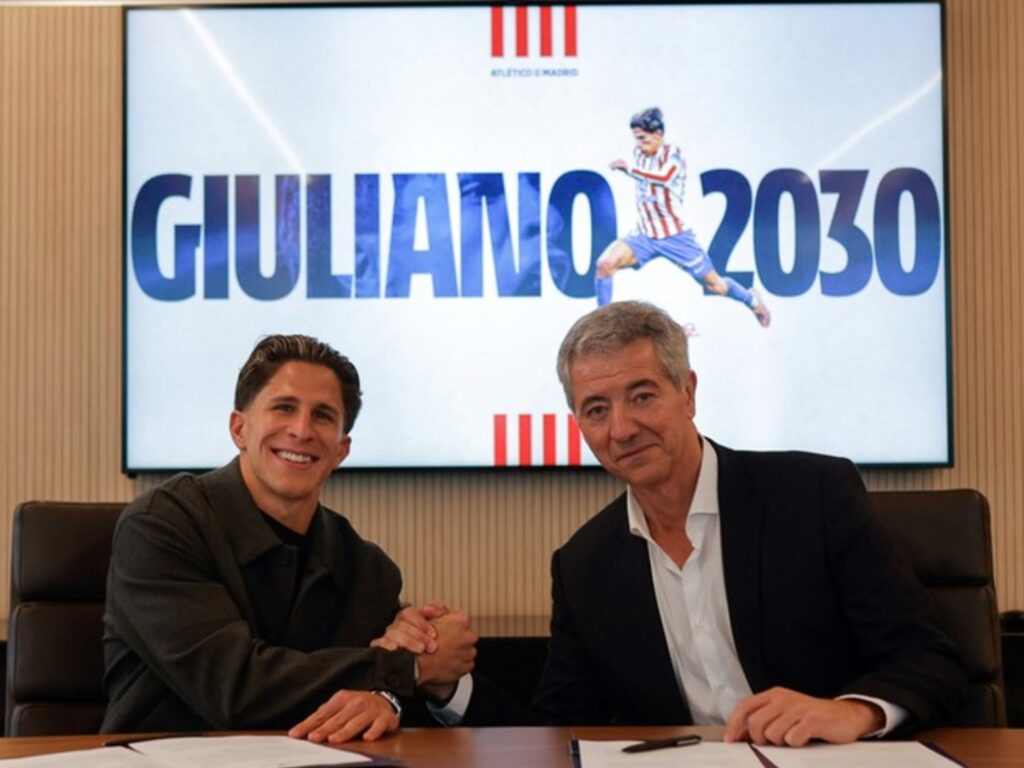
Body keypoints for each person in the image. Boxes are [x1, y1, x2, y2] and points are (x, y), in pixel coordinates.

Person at [382, 301, 965, 745]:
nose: (621, 429)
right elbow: (560, 731)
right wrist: (447, 685)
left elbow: (928, 657)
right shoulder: (585, 565)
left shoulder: (811, 495)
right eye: (596, 410)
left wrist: (851, 712)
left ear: (688, 392)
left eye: (642, 396)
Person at [102, 334, 476, 743]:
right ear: (239, 428)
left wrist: (420, 666)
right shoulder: (162, 526)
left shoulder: (369, 569)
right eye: (284, 408)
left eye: (323, 416)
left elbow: (377, 686)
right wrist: (406, 669)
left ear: (341, 450)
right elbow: (233, 690)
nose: (301, 430)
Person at [596, 107, 771, 329]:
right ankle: (601, 326)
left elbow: (664, 177)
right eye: (636, 139)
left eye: (643, 139)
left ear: (658, 134)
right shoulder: (639, 154)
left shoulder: (673, 154)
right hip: (644, 235)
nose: (638, 144)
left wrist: (630, 170)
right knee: (605, 265)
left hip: (676, 236)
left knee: (715, 285)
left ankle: (752, 300)